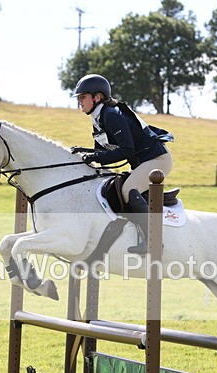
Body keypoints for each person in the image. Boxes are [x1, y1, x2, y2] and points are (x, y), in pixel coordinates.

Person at [72, 74, 173, 254]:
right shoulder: (99, 117)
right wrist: (84, 153)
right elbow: (102, 151)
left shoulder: (111, 115)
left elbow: (127, 151)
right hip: (144, 161)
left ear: (97, 97)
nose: (80, 101)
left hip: (158, 160)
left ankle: (154, 242)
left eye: (83, 97)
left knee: (128, 189)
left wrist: (96, 158)